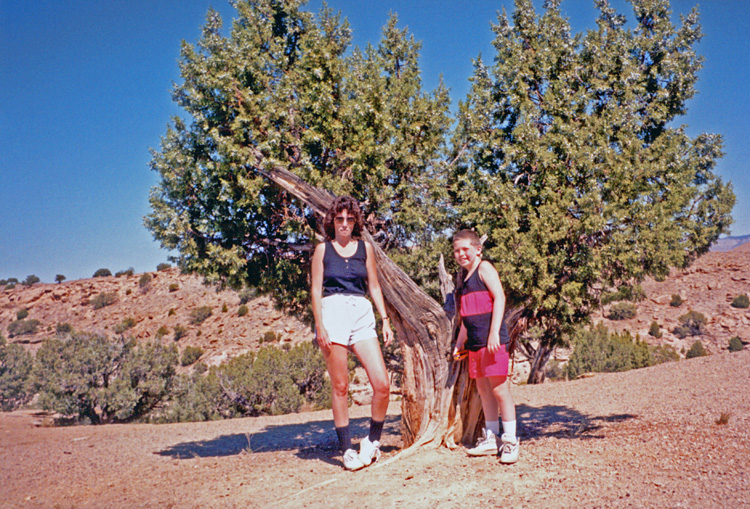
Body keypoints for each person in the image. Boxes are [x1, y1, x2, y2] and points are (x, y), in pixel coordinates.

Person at [311, 196, 394, 471]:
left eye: (349, 219)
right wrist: (320, 325)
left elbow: (375, 286)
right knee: (341, 386)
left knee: (382, 383)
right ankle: (346, 449)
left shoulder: (365, 249)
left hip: (361, 311)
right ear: (332, 222)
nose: (344, 224)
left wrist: (384, 319)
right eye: (339, 219)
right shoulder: (322, 251)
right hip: (332, 311)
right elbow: (315, 291)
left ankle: (372, 441)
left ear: (355, 221)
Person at [451, 229, 519, 464]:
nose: (461, 254)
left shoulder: (485, 269)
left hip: (493, 343)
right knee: (484, 391)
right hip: (475, 345)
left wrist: (493, 334)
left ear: (477, 249)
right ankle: (492, 437)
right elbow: (466, 317)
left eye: (465, 249)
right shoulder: (464, 278)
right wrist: (460, 343)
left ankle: (510, 440)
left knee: (500, 390)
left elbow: (499, 297)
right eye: (456, 250)